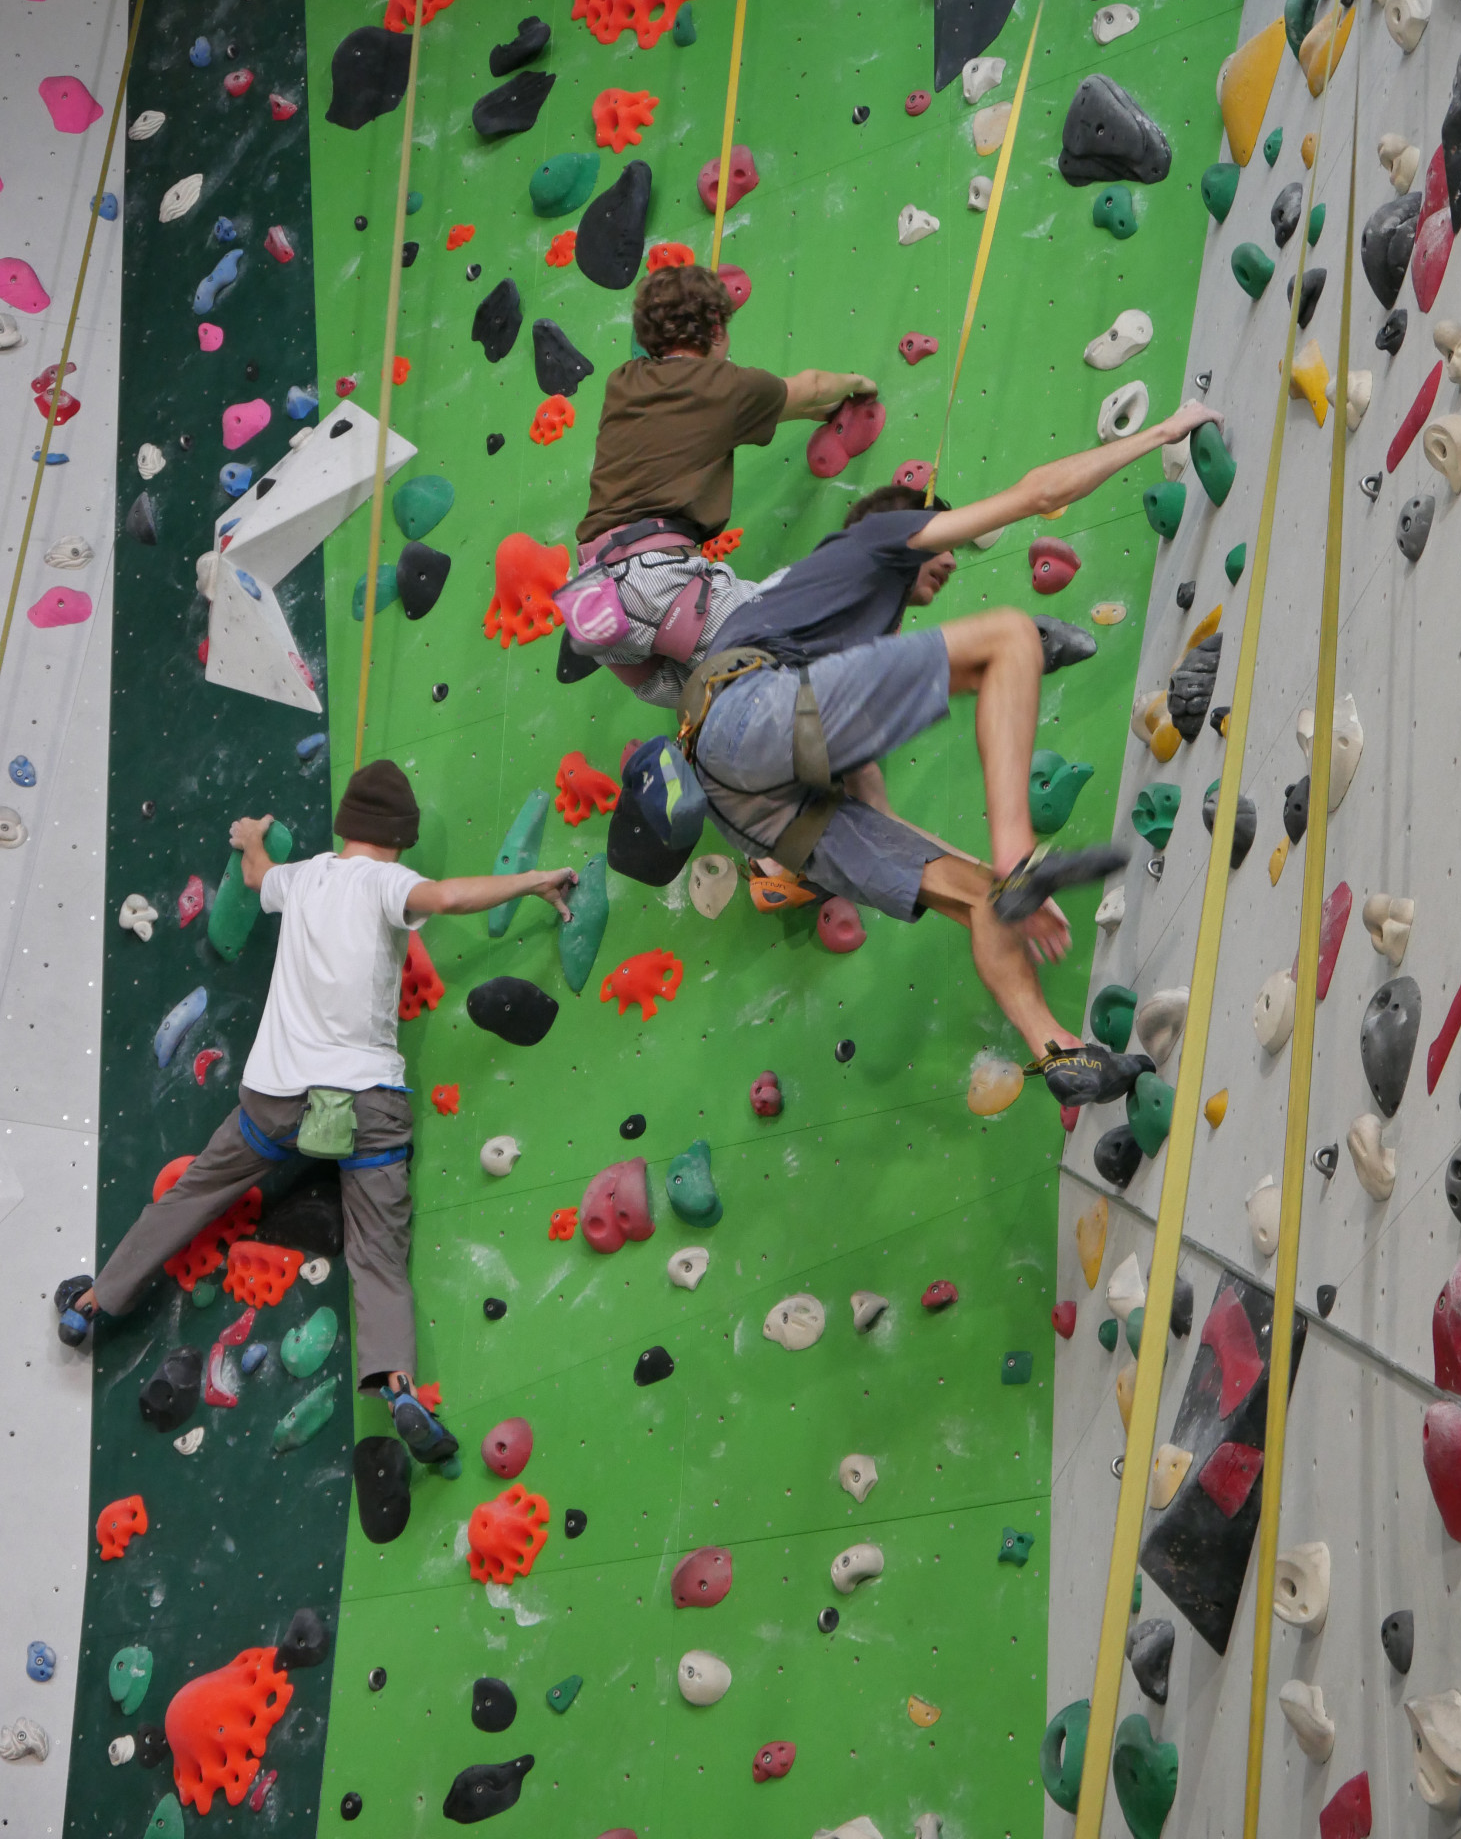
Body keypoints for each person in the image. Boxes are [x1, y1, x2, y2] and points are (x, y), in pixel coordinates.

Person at [676, 400, 1222, 1101]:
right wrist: (1162, 432)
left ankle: (1058, 1054)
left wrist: (995, 883)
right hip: (741, 710)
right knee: (1011, 638)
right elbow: (1037, 495)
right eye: (945, 551)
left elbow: (876, 812)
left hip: (741, 800)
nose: (950, 568)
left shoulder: (831, 640)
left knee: (983, 899)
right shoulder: (877, 536)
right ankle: (1019, 858)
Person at [54, 760, 576, 1467]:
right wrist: (534, 880)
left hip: (278, 1100)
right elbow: (450, 896)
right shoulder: (389, 883)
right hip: (367, 1108)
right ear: (399, 839)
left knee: (194, 1194)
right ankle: (399, 1389)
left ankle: (93, 1303)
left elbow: (255, 874)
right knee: (377, 1255)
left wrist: (251, 836)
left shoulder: (301, 878)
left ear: (346, 827)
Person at [559, 263, 878, 706]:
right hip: (655, 583)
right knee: (788, 629)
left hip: (594, 601)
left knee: (712, 700)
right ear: (715, 329)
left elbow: (741, 413)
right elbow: (814, 387)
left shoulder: (624, 382)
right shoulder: (726, 387)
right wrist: (861, 384)